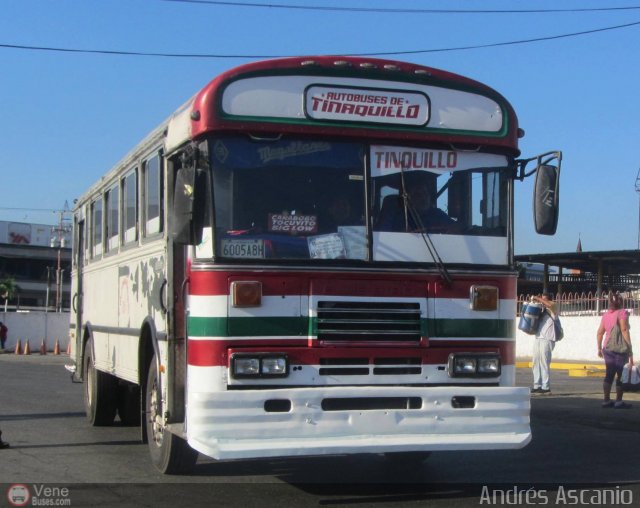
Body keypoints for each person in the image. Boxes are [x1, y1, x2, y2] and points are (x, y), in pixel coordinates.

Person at [597, 292, 634, 409]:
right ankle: (618, 401)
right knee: (621, 375)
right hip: (620, 348)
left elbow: (599, 332)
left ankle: (606, 400)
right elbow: (624, 330)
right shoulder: (622, 313)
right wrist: (630, 348)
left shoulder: (606, 315)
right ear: (621, 302)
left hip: (607, 348)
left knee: (609, 374)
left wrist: (599, 347)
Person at [376, 180, 458, 232]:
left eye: (425, 193)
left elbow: (455, 229)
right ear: (407, 197)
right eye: (417, 195)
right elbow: (382, 234)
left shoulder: (437, 214)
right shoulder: (396, 215)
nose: (423, 198)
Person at [531, 293, 560, 394]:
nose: (541, 302)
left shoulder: (554, 307)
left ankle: (546, 387)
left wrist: (538, 298)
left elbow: (549, 305)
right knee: (535, 362)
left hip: (547, 339)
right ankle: (537, 385)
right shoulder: (542, 311)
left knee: (544, 362)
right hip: (538, 337)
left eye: (544, 300)